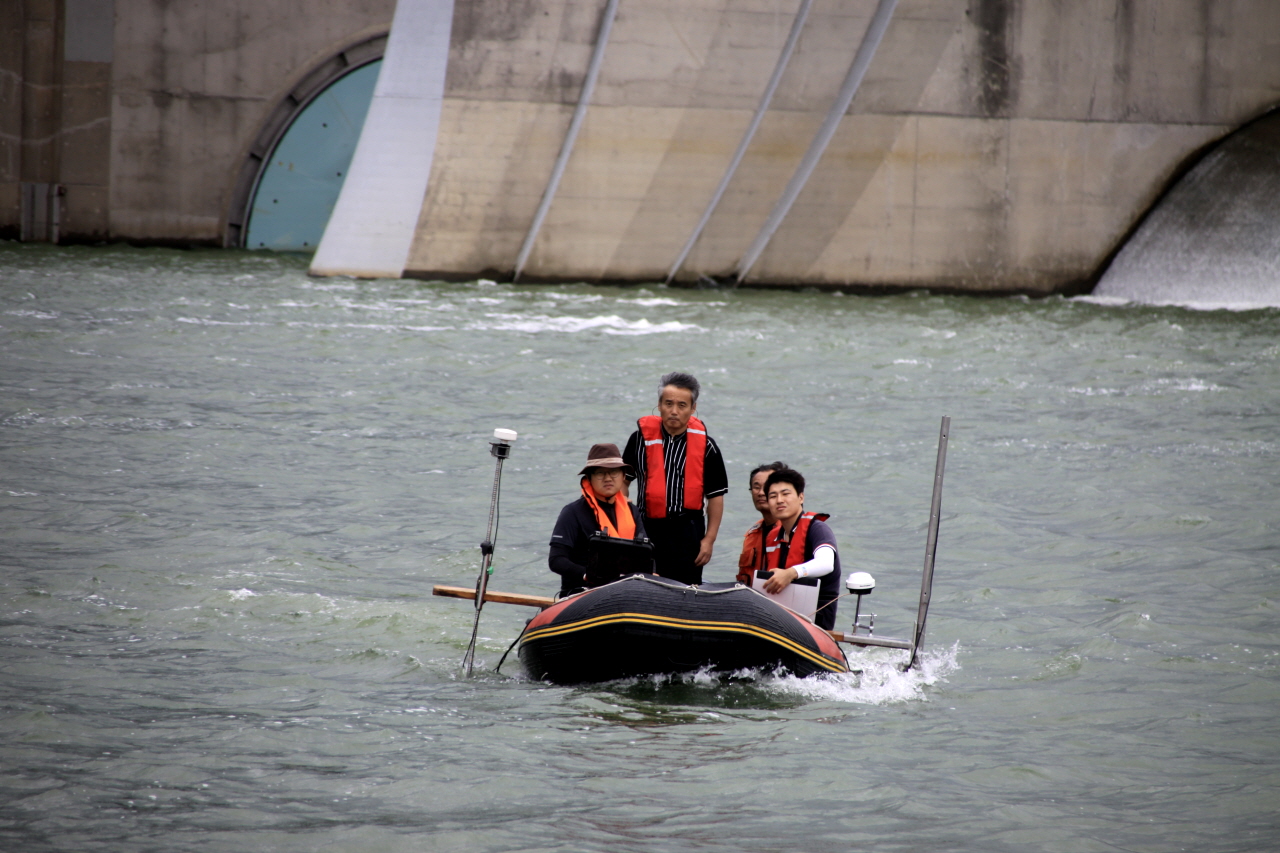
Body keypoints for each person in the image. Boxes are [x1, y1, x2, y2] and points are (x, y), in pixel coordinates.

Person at [622, 372, 728, 585]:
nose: (674, 411)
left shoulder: (707, 446)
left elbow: (715, 497)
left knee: (686, 590)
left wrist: (709, 539)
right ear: (659, 405)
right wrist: (627, 516)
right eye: (668, 404)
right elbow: (623, 482)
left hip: (688, 532)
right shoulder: (639, 440)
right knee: (644, 586)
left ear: (692, 408)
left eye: (682, 405)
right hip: (646, 528)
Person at [548, 443, 650, 596]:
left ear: (623, 476)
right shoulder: (572, 512)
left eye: (614, 472)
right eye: (600, 473)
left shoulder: (633, 512)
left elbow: (645, 558)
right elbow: (556, 560)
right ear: (589, 478)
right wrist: (587, 575)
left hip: (624, 593)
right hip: (581, 593)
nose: (608, 478)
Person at [759, 467, 843, 631]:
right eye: (773, 496)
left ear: (801, 497)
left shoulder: (817, 529)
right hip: (780, 622)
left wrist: (791, 573)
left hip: (815, 625)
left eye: (785, 494)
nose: (779, 500)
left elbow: (826, 563)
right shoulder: (774, 537)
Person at [737, 461, 789, 584]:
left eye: (766, 486)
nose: (760, 493)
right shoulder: (752, 534)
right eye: (756, 487)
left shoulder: (793, 530)